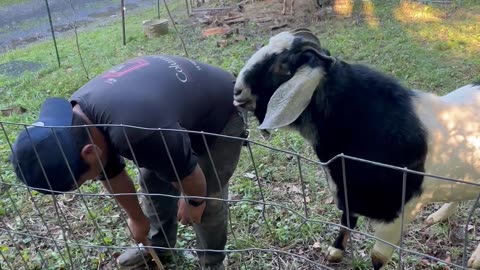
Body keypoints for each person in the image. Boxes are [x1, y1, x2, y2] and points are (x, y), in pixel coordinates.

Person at [9, 55, 247, 270]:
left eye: (81, 181)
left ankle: (212, 263)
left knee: (208, 199)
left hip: (220, 110)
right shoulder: (79, 122)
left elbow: (191, 178)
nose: (89, 181)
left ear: (89, 152)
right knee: (152, 178)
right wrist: (136, 217)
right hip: (166, 111)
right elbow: (109, 172)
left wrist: (194, 201)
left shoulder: (137, 133)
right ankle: (159, 247)